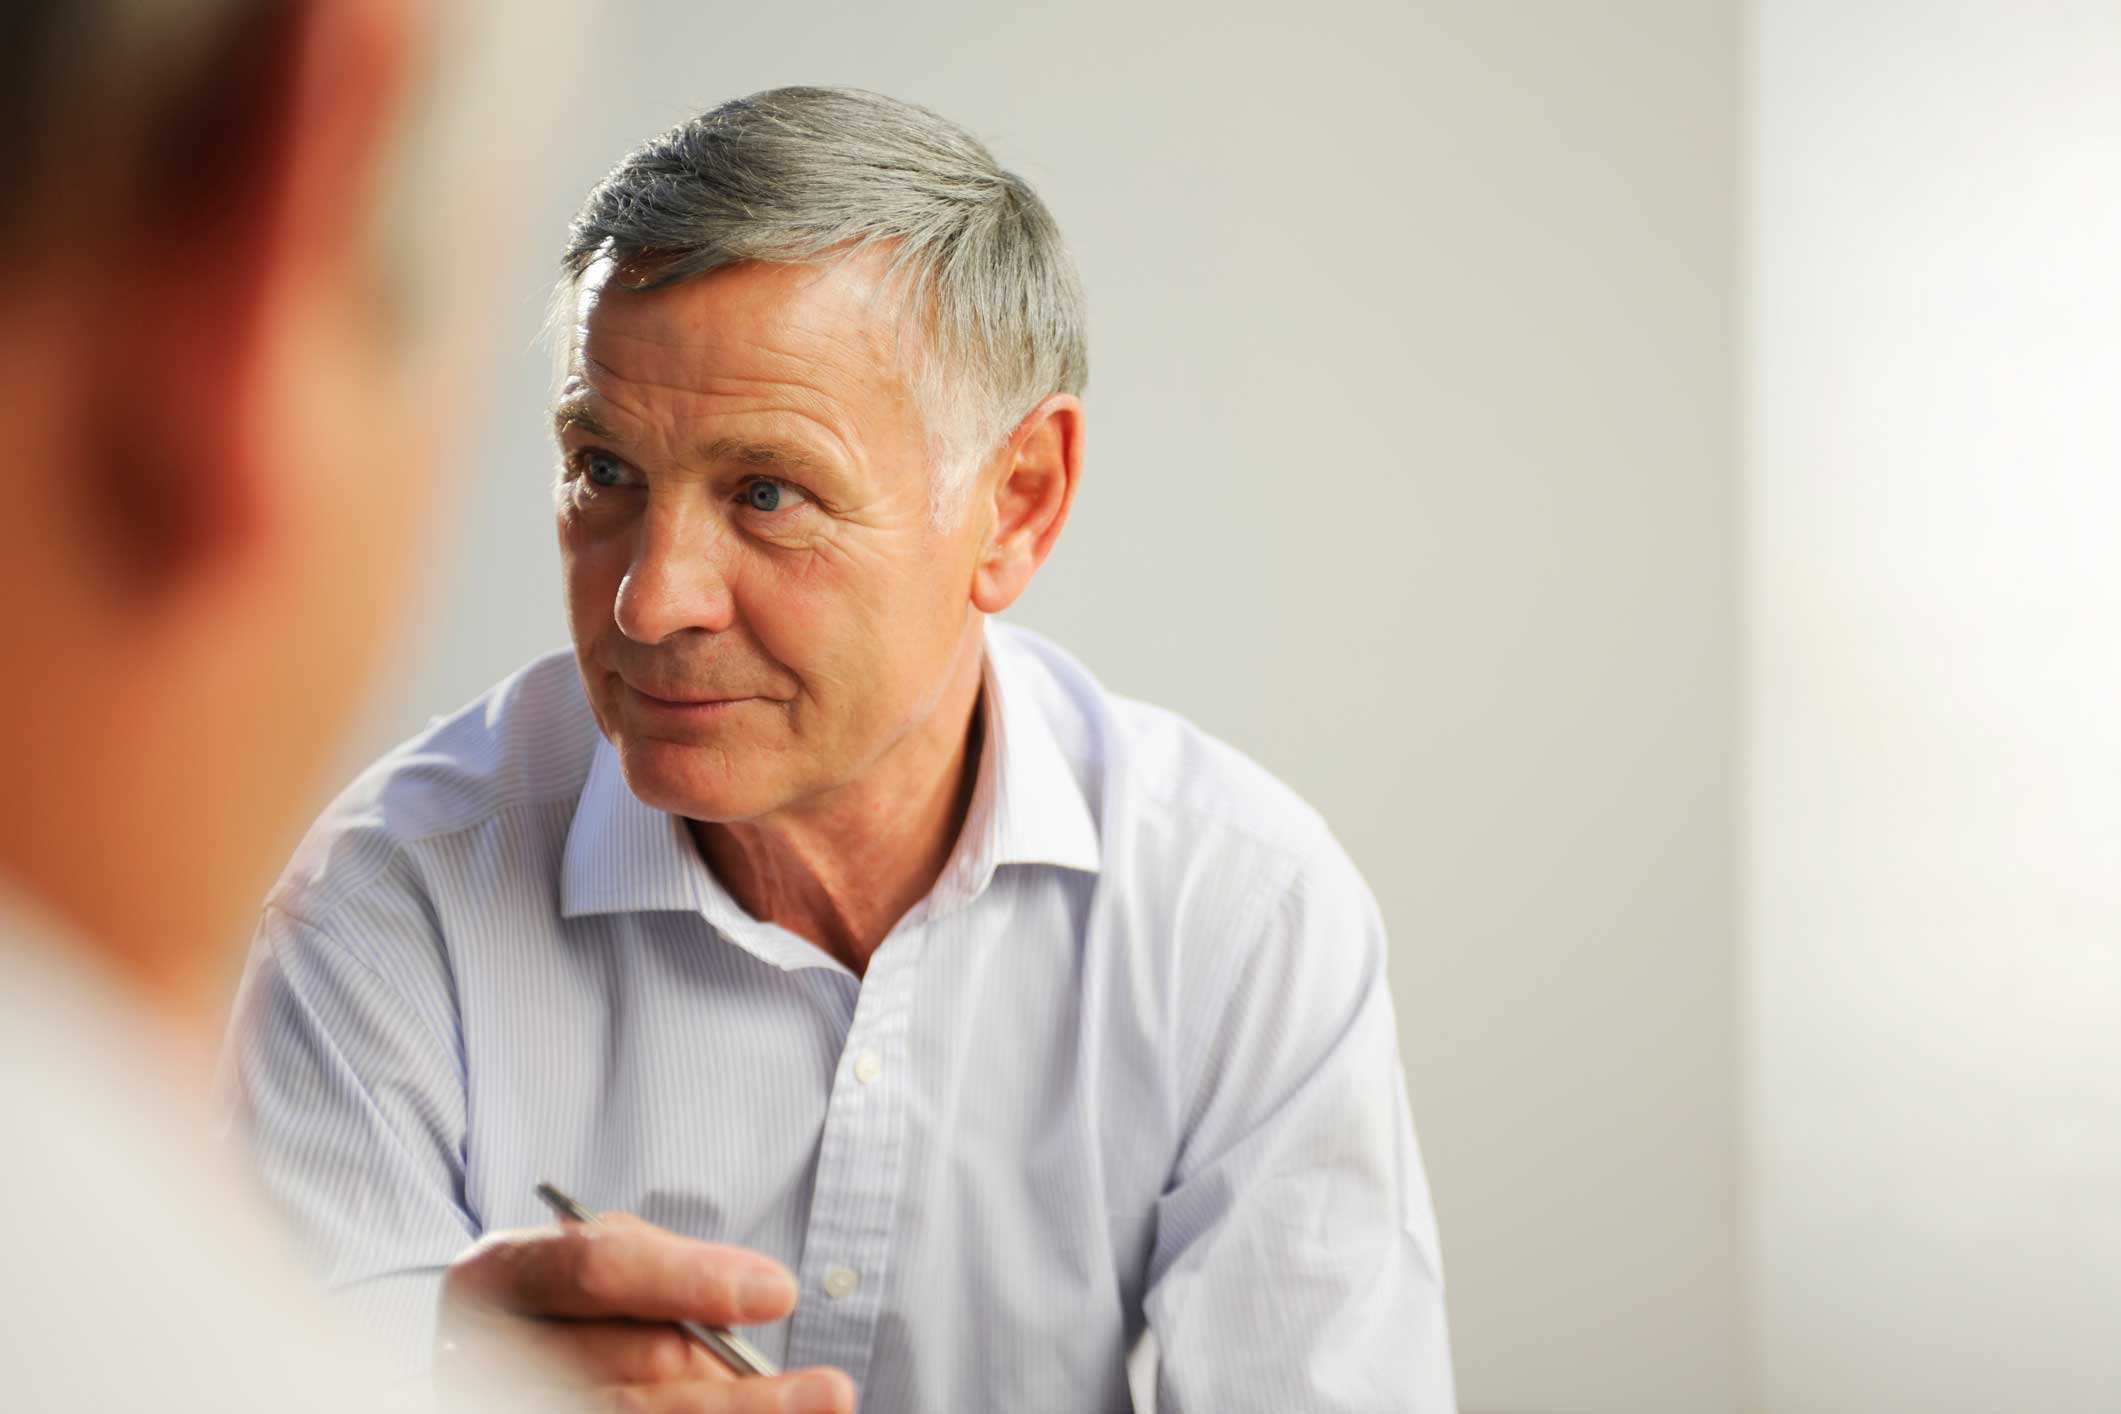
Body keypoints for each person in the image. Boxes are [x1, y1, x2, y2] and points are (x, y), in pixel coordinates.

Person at [228, 85, 1456, 1413]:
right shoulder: (387, 901)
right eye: (603, 471)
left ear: (1016, 505)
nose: (650, 599)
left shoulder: (1237, 908)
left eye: (766, 491)